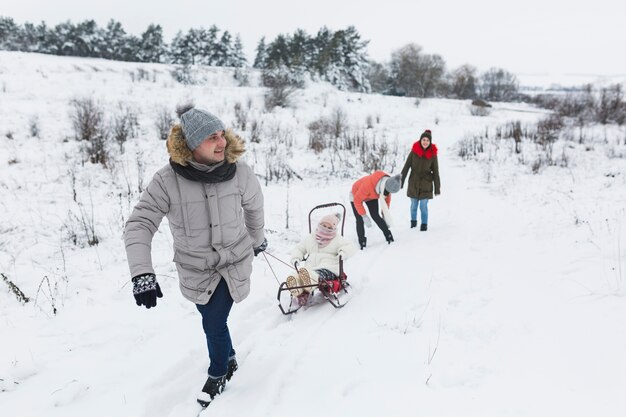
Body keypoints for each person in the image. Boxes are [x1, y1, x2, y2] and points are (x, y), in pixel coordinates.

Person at [123, 104, 266, 407]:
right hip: (196, 270)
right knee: (209, 317)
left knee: (213, 323)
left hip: (234, 261)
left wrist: (257, 240)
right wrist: (142, 272)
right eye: (211, 138)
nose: (221, 142)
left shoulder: (240, 172)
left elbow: (254, 208)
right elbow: (140, 223)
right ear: (190, 145)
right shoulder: (166, 181)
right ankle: (228, 356)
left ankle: (219, 371)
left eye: (221, 134)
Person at [287, 213, 357, 305]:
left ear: (334, 229)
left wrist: (343, 253)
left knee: (315, 275)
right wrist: (296, 257)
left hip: (328, 268)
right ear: (319, 225)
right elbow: (299, 248)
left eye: (329, 227)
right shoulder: (310, 238)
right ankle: (298, 290)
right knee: (297, 275)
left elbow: (351, 247)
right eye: (324, 225)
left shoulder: (337, 239)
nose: (326, 228)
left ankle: (308, 283)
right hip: (310, 268)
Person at [400, 129, 441, 231]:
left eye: (427, 140)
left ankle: (424, 225)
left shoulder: (433, 154)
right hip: (413, 182)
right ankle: (413, 223)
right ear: (420, 140)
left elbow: (436, 172)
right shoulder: (414, 152)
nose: (425, 142)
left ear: (430, 142)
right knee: (414, 205)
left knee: (423, 206)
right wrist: (400, 181)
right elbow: (406, 167)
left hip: (426, 183)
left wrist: (437, 188)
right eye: (423, 140)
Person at [350, 170, 402, 249]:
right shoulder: (368, 185)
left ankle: (388, 234)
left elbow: (386, 203)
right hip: (355, 194)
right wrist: (364, 215)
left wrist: (384, 215)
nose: (388, 194)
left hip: (371, 196)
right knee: (359, 219)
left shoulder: (388, 187)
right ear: (384, 186)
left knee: (375, 215)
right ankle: (362, 242)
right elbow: (357, 201)